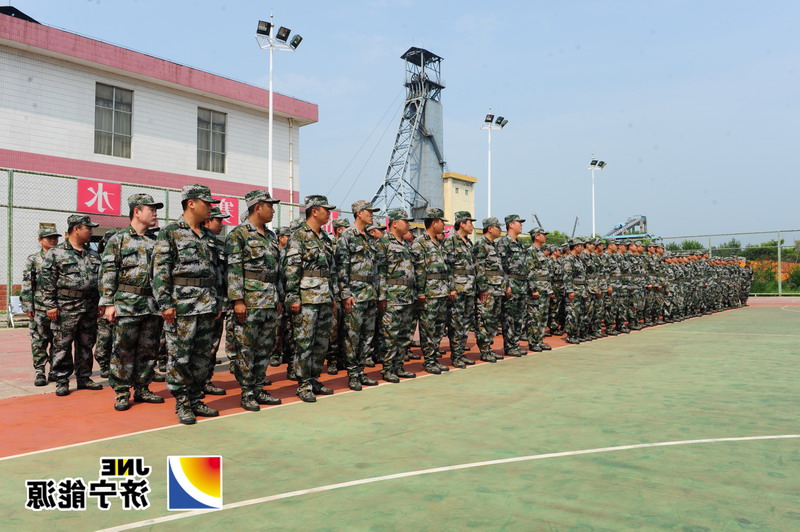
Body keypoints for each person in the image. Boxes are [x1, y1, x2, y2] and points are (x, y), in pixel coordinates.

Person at [152, 184, 224, 425]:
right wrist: (165, 303)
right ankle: (182, 402)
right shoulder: (170, 232)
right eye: (207, 203)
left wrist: (218, 301)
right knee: (180, 356)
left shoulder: (209, 236)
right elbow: (160, 271)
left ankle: (195, 398)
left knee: (202, 356)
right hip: (181, 306)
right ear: (191, 203)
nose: (211, 208)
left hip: (207, 304)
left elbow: (217, 272)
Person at [100, 194, 165, 411]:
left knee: (149, 349)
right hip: (127, 304)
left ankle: (142, 388)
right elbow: (108, 272)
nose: (155, 214)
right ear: (137, 211)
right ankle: (121, 392)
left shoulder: (157, 242)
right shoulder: (118, 240)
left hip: (152, 304)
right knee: (123, 350)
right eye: (151, 209)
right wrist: (108, 303)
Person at [225, 190, 284, 411]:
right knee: (246, 350)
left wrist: (279, 297)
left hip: (269, 300)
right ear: (257, 207)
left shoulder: (270, 236)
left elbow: (276, 271)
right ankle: (247, 392)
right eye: (270, 206)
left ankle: (259, 388)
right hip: (249, 302)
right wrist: (237, 301)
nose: (273, 210)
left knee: (265, 348)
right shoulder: (238, 235)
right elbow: (233, 270)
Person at [40, 214, 104, 396]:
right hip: (66, 306)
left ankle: (84, 377)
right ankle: (62, 379)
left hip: (89, 305)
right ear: (76, 229)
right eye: (88, 228)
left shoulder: (92, 254)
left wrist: (101, 302)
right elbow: (47, 281)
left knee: (86, 343)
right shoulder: (56, 253)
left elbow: (99, 281)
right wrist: (50, 305)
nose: (91, 231)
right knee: (63, 344)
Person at [285, 195, 338, 403]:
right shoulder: (299, 236)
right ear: (314, 211)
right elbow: (292, 268)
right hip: (306, 298)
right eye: (326, 210)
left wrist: (333, 295)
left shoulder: (325, 238)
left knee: (321, 343)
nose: (329, 213)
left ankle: (314, 378)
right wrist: (293, 296)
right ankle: (304, 384)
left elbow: (331, 271)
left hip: (324, 297)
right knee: (304, 342)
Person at [336, 200, 381, 391]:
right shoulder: (347, 236)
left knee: (367, 336)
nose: (372, 215)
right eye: (369, 212)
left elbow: (375, 269)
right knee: (352, 337)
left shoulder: (369, 239)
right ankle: (353, 374)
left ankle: (361, 371)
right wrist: (345, 294)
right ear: (359, 213)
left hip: (370, 294)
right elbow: (341, 267)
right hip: (355, 294)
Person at [412, 208, 456, 374]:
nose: (444, 225)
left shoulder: (439, 243)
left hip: (442, 292)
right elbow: (418, 270)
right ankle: (429, 361)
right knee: (428, 328)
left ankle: (434, 358)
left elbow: (446, 268)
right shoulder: (420, 243)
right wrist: (421, 292)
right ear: (433, 223)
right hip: (429, 293)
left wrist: (450, 288)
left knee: (438, 328)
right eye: (441, 221)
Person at [376, 209, 418, 382]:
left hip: (407, 296)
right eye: (404, 221)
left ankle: (399, 366)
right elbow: (380, 271)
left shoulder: (406, 244)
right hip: (392, 297)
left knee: (404, 335)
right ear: (394, 223)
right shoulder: (384, 242)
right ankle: (387, 369)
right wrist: (382, 296)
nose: (407, 224)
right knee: (390, 335)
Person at [20, 224, 61, 386]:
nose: (53, 240)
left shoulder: (61, 257)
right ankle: (40, 371)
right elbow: (27, 283)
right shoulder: (34, 259)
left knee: (58, 340)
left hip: (59, 306)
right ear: (40, 240)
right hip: (39, 307)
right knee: (39, 340)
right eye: (49, 237)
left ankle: (54, 371)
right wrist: (28, 305)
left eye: (55, 237)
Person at [201, 205, 231, 397]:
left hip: (218, 303)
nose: (221, 224)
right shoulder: (198, 242)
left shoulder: (219, 245)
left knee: (212, 345)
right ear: (207, 221)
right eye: (218, 220)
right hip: (198, 303)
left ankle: (206, 380)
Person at [443, 211, 478, 368]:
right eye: (470, 223)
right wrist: (451, 287)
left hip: (469, 288)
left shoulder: (468, 243)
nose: (472, 226)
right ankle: (456, 356)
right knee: (456, 323)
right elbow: (447, 266)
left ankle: (461, 353)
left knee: (465, 323)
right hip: (457, 288)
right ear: (462, 224)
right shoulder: (451, 240)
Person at [473, 217, 509, 363]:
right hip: (488, 290)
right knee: (484, 320)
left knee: (493, 321)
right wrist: (483, 288)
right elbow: (479, 268)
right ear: (490, 228)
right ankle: (484, 350)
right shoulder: (481, 244)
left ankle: (488, 348)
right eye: (498, 227)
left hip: (497, 289)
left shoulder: (493, 246)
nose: (500, 229)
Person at [496, 214, 529, 356]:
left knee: (519, 318)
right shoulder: (503, 242)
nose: (521, 225)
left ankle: (515, 344)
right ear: (511, 225)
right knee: (509, 317)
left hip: (521, 284)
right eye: (518, 222)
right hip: (512, 283)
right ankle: (509, 346)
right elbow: (501, 266)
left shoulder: (519, 244)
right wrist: (507, 284)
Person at [526, 227, 553, 352]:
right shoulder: (530, 251)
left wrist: (549, 289)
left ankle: (539, 340)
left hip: (544, 289)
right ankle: (533, 342)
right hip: (537, 289)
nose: (545, 236)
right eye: (543, 234)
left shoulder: (541, 252)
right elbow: (529, 271)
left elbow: (546, 273)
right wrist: (533, 289)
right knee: (534, 317)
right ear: (536, 236)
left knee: (543, 317)